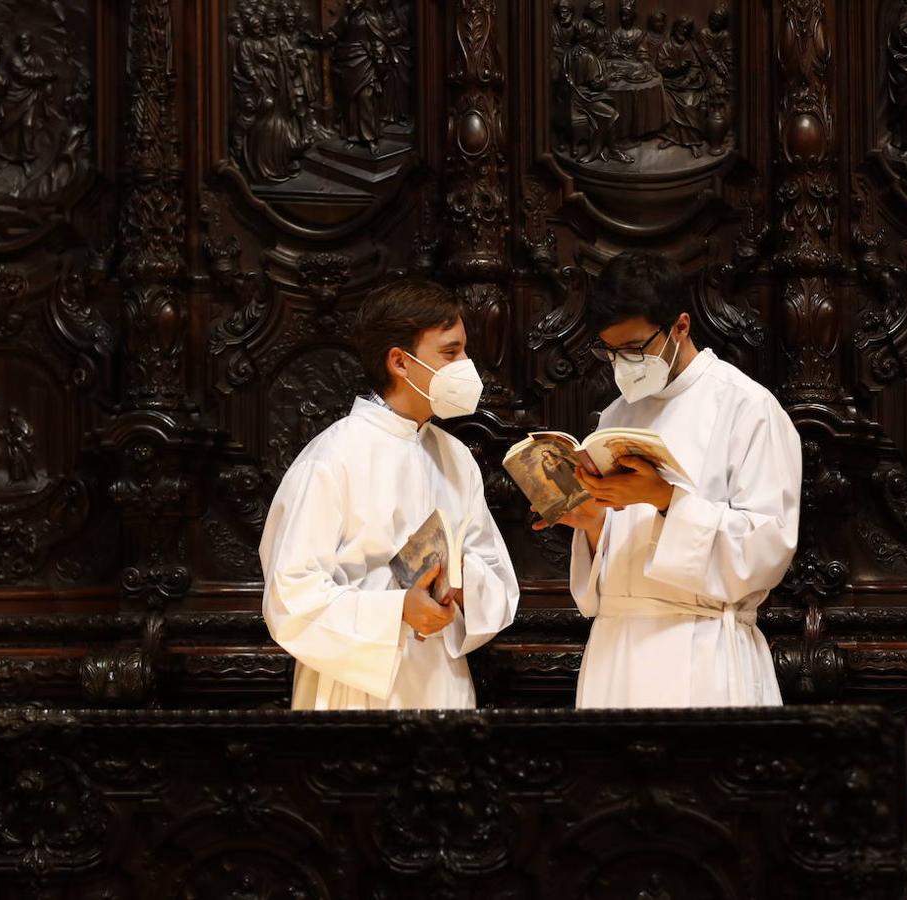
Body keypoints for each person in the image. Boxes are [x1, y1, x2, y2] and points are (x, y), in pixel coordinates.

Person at [536, 252, 801, 708]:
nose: (624, 364)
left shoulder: (748, 407)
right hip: (616, 651)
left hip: (701, 648)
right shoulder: (618, 414)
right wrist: (594, 524)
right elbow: (619, 558)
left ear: (680, 327)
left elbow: (769, 548)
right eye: (611, 351)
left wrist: (665, 500)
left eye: (636, 348)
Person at [260, 279, 519, 710]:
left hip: (443, 681)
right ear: (400, 362)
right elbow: (290, 596)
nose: (467, 366)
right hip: (357, 688)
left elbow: (493, 570)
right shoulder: (332, 457)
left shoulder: (455, 457)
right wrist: (397, 609)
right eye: (451, 353)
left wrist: (461, 586)